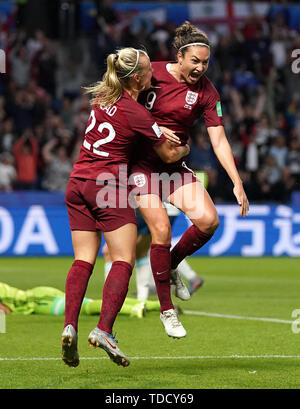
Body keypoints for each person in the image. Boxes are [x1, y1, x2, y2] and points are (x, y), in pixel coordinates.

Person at [61, 47, 190, 368]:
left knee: (83, 260)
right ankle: (104, 329)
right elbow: (170, 156)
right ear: (136, 78)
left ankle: (69, 325)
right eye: (148, 71)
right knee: (123, 258)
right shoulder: (138, 113)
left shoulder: (101, 97)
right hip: (108, 185)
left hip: (77, 181)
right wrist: (187, 143)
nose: (154, 74)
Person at [129, 21, 249, 336]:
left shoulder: (207, 91)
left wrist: (236, 181)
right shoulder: (149, 73)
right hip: (140, 166)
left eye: (205, 62)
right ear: (179, 57)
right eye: (194, 61)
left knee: (209, 221)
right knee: (161, 228)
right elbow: (121, 101)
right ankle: (168, 312)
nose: (200, 67)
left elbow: (219, 140)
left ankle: (169, 265)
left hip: (173, 167)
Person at [0, 281, 157, 319]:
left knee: (85, 307)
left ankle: (134, 310)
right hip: (41, 297)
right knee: (89, 303)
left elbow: (7, 308)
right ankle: (156, 305)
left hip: (41, 300)